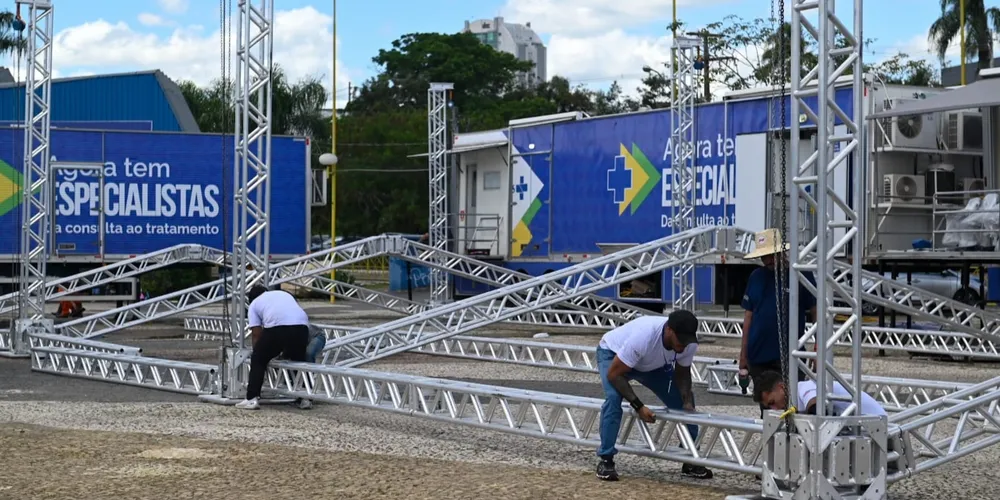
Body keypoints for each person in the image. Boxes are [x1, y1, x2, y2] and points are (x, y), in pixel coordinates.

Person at [595, 310, 714, 481]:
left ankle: (690, 457)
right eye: (680, 340)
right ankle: (606, 459)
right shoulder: (644, 337)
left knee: (684, 401)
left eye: (687, 341)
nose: (683, 346)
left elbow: (682, 373)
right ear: (669, 330)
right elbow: (614, 375)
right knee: (614, 399)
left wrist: (686, 400)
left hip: (650, 362)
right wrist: (639, 406)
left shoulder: (688, 344)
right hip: (613, 354)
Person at [739, 228, 817, 417]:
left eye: (771, 255)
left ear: (782, 252)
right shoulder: (756, 277)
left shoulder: (800, 275)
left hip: (791, 354)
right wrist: (743, 355)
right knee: (768, 406)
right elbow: (748, 317)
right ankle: (772, 444)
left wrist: (817, 346)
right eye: (764, 257)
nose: (768, 261)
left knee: (794, 402)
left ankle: (797, 443)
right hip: (758, 355)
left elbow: (816, 312)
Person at [235, 285, 311, 410]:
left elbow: (256, 333)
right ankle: (305, 398)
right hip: (302, 327)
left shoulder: (254, 304)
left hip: (278, 327)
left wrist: (258, 351)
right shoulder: (283, 294)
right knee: (298, 360)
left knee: (258, 359)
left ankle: (252, 398)